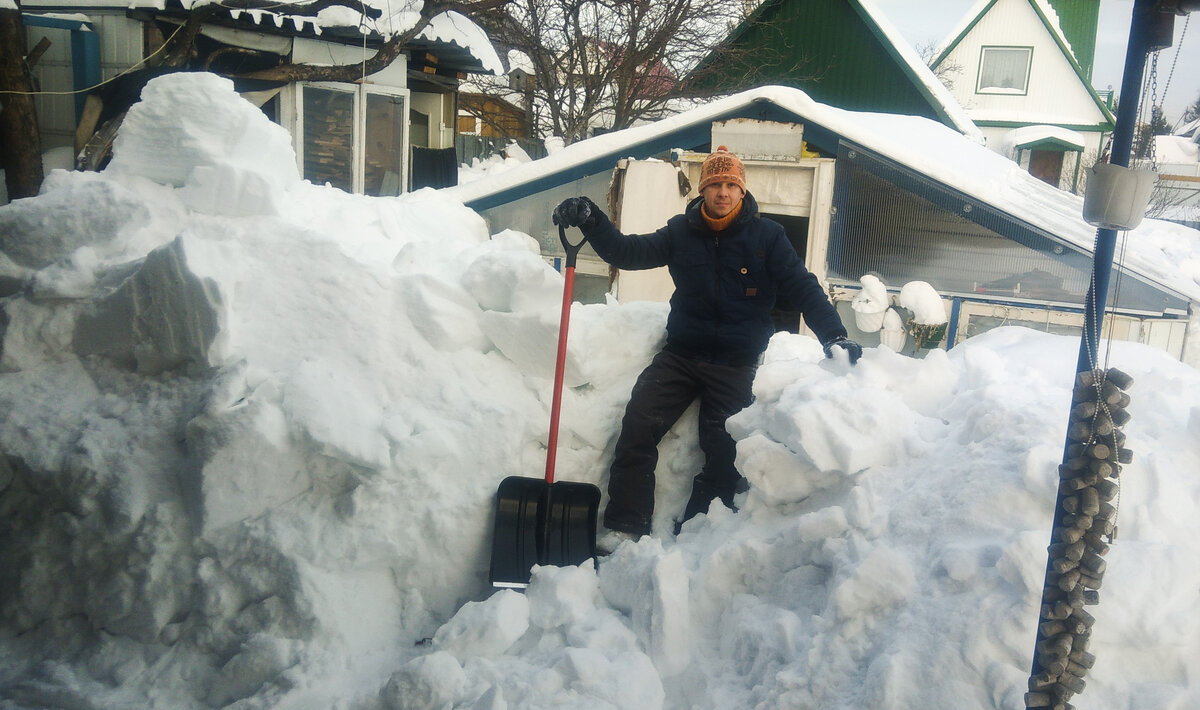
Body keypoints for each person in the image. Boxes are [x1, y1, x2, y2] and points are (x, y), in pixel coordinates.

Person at [552, 146, 861, 552]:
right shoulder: (682, 232)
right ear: (702, 190)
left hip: (737, 361)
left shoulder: (768, 237)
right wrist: (591, 219)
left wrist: (833, 335)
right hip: (681, 355)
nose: (723, 191)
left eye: (731, 184)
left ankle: (696, 535)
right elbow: (628, 252)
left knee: (723, 445)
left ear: (742, 189)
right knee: (638, 425)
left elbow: (802, 287)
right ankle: (626, 525)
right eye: (715, 183)